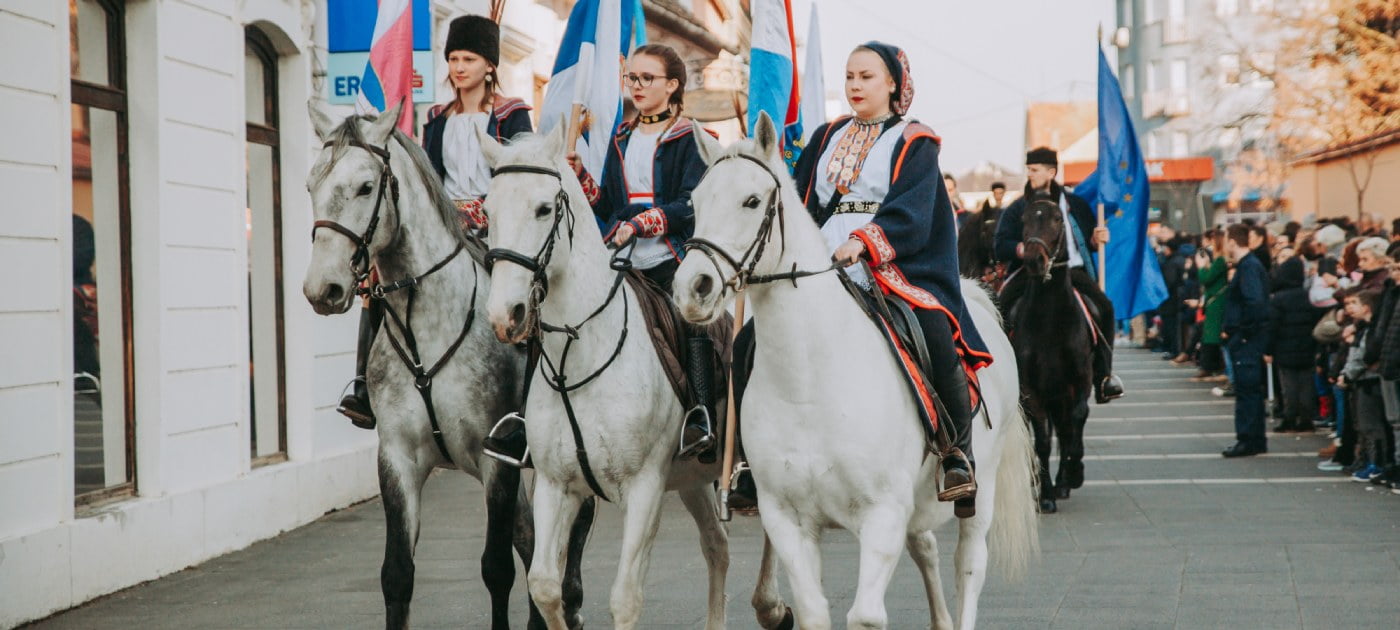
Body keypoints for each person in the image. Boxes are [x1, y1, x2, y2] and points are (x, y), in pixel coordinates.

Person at [482, 43, 716, 464]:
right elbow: (606, 204)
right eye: (633, 78)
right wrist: (582, 180)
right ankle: (526, 420)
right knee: (550, 311)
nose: (638, 86)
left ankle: (699, 415)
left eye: (648, 79)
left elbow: (693, 203)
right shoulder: (621, 138)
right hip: (619, 257)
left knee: (690, 315)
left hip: (671, 256)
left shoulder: (695, 138)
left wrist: (643, 223)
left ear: (673, 85)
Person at [791, 42, 993, 515]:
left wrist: (865, 242)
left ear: (892, 84)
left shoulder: (914, 139)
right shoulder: (824, 137)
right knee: (755, 338)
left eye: (866, 77)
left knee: (934, 334)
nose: (855, 86)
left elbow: (914, 210)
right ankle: (747, 456)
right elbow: (801, 201)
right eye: (849, 77)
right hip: (820, 258)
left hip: (893, 264)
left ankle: (956, 454)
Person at [337, 14, 532, 429]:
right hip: (448, 227)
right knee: (380, 279)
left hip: (500, 227)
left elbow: (519, 177)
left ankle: (530, 395)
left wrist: (479, 209)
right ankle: (363, 386)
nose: (459, 67)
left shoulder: (514, 115)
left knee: (525, 292)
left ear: (490, 66)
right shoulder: (438, 119)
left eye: (469, 59)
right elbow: (431, 180)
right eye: (454, 58)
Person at [993, 147, 1124, 403]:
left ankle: (1104, 376)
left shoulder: (1075, 205)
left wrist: (1097, 240)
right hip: (1029, 274)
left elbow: (1086, 240)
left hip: (1071, 272)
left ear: (1051, 172)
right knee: (1000, 306)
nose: (1029, 175)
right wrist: (1021, 249)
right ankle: (1003, 373)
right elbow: (1000, 244)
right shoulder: (1018, 207)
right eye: (1028, 170)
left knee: (1105, 308)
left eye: (1034, 170)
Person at [1221, 223, 1271, 457]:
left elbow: (1255, 302)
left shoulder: (1248, 267)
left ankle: (1248, 439)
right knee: (1250, 390)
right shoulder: (1249, 265)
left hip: (1246, 340)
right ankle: (1255, 438)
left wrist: (1242, 334)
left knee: (1247, 391)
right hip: (1247, 337)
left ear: (1232, 241)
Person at [1267, 257, 1326, 432]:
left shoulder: (1278, 299)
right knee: (1306, 383)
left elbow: (1272, 326)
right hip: (1307, 345)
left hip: (1284, 346)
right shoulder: (1309, 296)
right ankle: (1306, 417)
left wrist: (1268, 349)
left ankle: (1290, 416)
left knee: (1289, 385)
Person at [1193, 231, 1229, 381]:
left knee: (1213, 335)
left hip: (1216, 302)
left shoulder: (1221, 260)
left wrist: (1201, 267)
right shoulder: (1219, 260)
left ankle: (1212, 366)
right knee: (1210, 334)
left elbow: (1206, 279)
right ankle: (1212, 366)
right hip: (1213, 301)